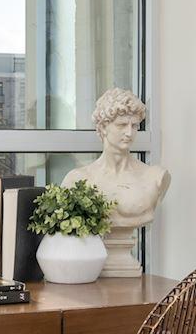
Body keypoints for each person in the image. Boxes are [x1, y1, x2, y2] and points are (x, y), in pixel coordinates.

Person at [62, 88, 171, 278]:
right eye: (121, 125)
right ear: (103, 127)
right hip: (93, 275)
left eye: (135, 126)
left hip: (130, 272)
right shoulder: (78, 179)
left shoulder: (154, 177)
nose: (129, 133)